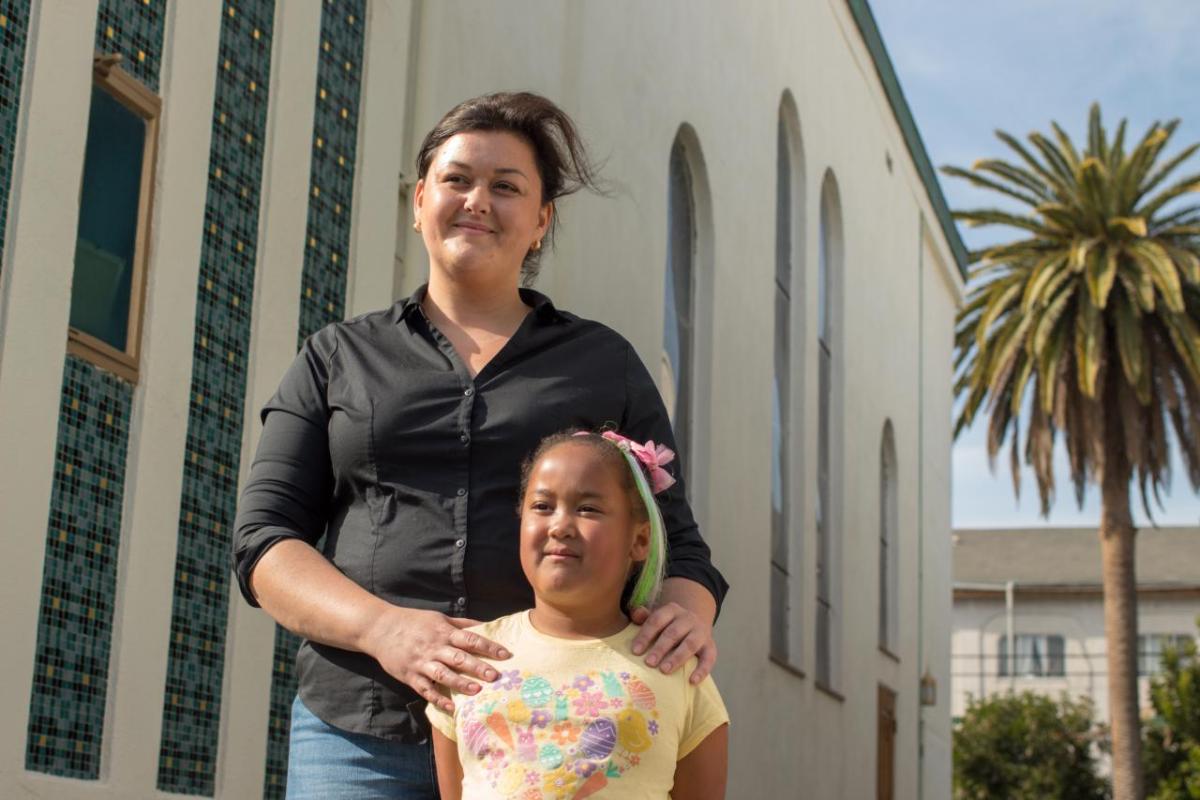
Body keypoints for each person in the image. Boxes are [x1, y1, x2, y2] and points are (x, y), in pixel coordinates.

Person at [232, 92, 728, 799]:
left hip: (543, 739)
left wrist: (684, 622)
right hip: (357, 734)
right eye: (457, 179)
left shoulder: (603, 363)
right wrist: (385, 630)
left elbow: (679, 545)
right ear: (419, 199)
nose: (477, 201)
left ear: (541, 220)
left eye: (506, 187)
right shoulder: (336, 356)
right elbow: (264, 542)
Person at [426, 430, 729, 799]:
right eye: (542, 506)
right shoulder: (469, 661)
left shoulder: (676, 667)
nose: (560, 526)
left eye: (588, 509)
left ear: (640, 541)